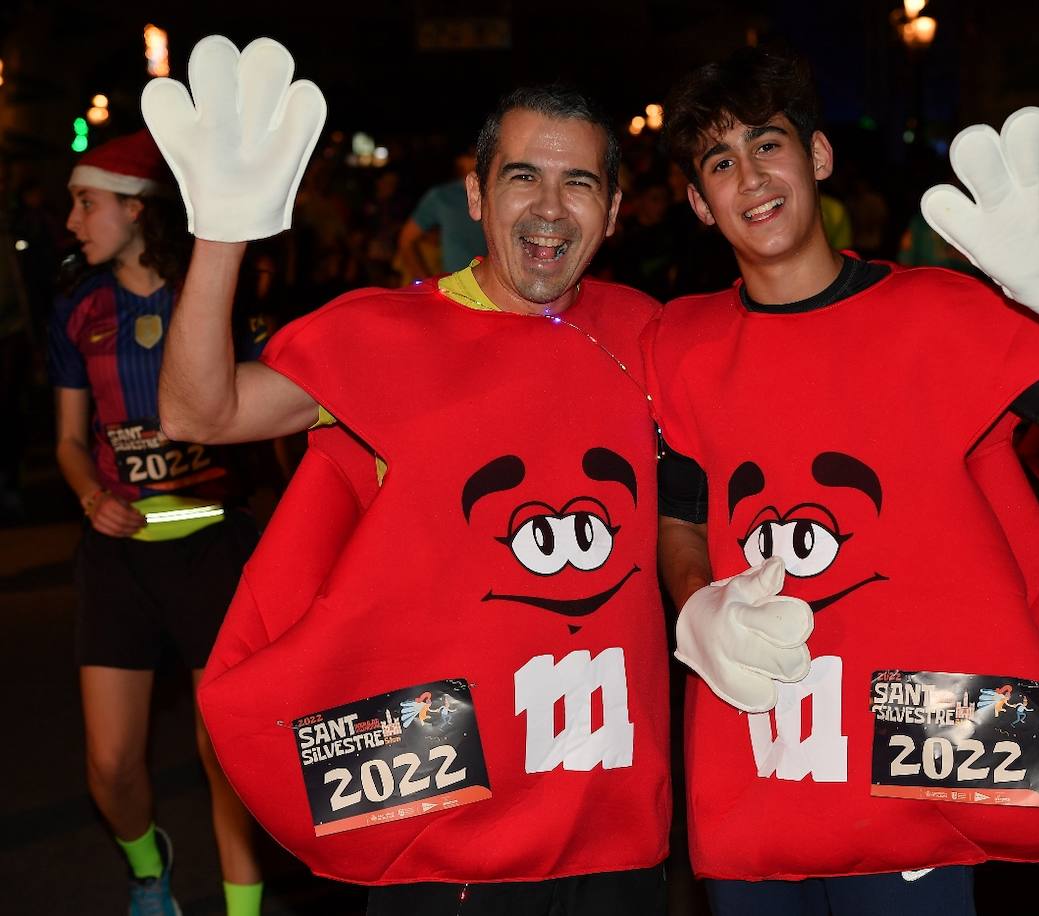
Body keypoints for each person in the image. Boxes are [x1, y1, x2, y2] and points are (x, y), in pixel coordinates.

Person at [142, 35, 668, 916]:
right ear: (475, 194)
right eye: (520, 177)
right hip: (446, 839)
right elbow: (200, 414)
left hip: (615, 836)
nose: (549, 207)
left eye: (578, 182)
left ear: (615, 210)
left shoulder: (653, 335)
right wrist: (222, 235)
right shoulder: (385, 335)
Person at [648, 47, 1039, 915]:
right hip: (762, 745)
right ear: (699, 203)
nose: (750, 178)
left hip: (920, 743)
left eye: (768, 146)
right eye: (720, 163)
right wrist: (698, 604)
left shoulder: (941, 311)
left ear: (819, 158)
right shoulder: (681, 343)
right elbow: (681, 518)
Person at [48, 129, 263, 916]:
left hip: (213, 543)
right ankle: (150, 871)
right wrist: (86, 495)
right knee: (109, 764)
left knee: (227, 753)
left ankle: (245, 909)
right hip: (118, 548)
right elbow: (72, 442)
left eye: (86, 202)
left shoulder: (205, 295)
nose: (73, 221)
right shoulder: (77, 309)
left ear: (137, 209)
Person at [396, 147, 487, 280]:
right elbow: (406, 239)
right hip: (455, 290)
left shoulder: (502, 195)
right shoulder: (442, 197)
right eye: (473, 155)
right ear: (461, 161)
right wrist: (424, 283)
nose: (480, 161)